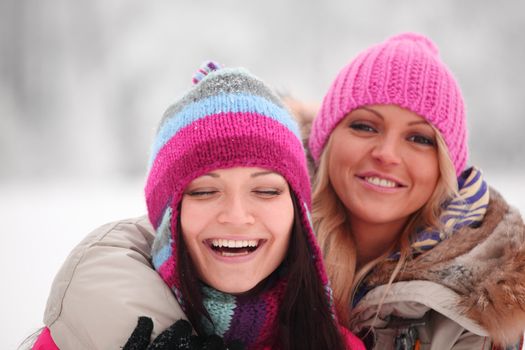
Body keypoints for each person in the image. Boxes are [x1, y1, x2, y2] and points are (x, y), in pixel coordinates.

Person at [31, 62, 364, 349]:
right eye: (204, 192)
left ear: (299, 213)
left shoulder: (338, 345)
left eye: (264, 191)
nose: (236, 216)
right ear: (167, 220)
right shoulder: (87, 336)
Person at [307, 32, 525, 349]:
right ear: (325, 142)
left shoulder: (479, 313)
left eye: (419, 139)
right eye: (365, 126)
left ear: (445, 169)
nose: (387, 153)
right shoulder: (261, 242)